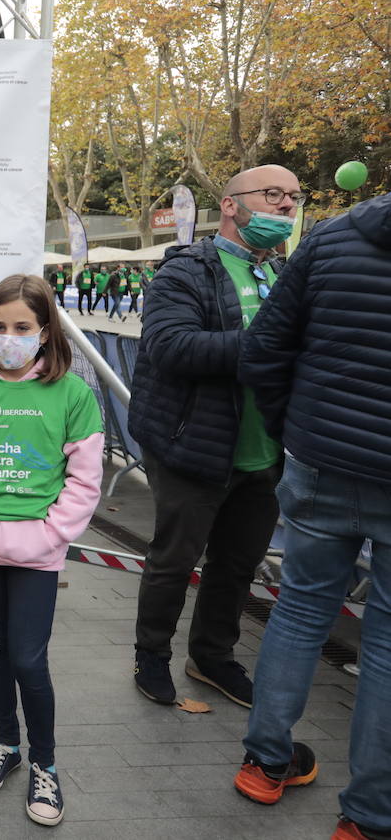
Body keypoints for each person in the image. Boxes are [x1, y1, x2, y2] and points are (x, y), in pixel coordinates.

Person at [232, 192, 391, 840]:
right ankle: (370, 816)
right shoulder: (330, 238)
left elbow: (261, 354)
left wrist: (292, 433)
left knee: (298, 609)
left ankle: (265, 763)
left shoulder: (330, 240)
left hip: (321, 462)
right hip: (330, 457)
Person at [127, 164, 301, 708]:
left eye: (294, 197)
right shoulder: (186, 271)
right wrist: (265, 342)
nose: (286, 207)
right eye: (273, 195)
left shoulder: (286, 274)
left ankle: (212, 657)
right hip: (191, 446)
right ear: (230, 204)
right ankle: (151, 656)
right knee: (174, 560)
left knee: (237, 563)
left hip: (265, 453)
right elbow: (170, 347)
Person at [0, 274, 103, 827]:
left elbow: (84, 482)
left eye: (22, 327)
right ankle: (7, 744)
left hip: (37, 555)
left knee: (29, 659)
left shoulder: (74, 393)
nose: (9, 337)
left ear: (46, 330)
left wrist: (51, 536)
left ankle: (45, 764)